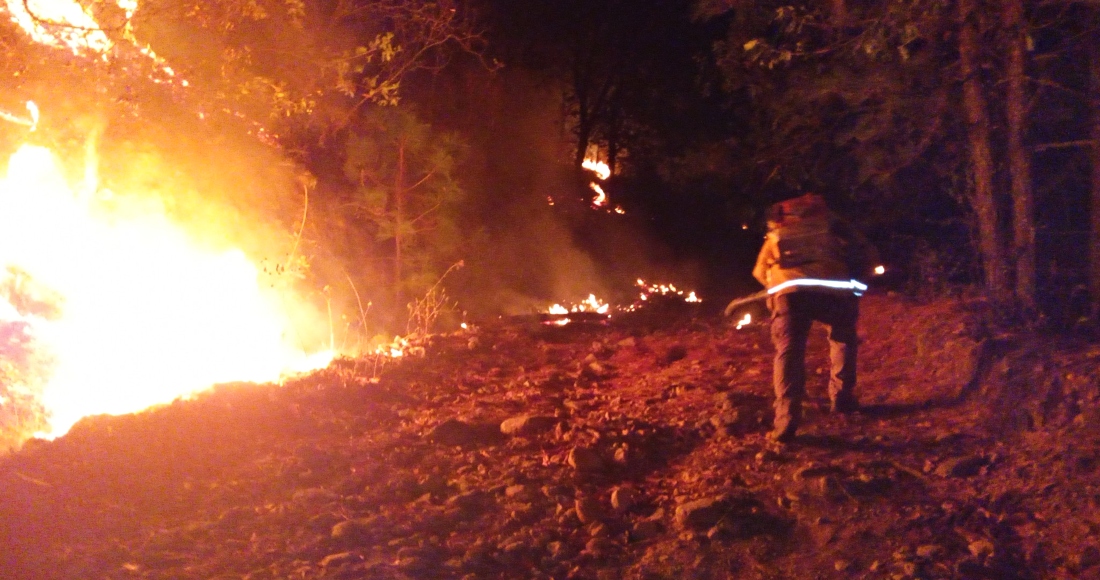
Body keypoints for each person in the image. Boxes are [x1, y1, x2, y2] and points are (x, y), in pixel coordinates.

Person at [751, 190, 879, 444]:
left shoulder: (778, 233)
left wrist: (775, 288)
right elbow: (866, 254)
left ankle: (786, 418)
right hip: (834, 291)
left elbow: (759, 271)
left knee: (789, 351)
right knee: (842, 339)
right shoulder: (833, 226)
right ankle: (842, 398)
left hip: (790, 294)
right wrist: (857, 284)